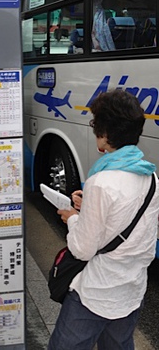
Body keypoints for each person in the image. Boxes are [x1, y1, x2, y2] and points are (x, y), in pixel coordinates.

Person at [48, 89, 159, 350]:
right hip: (131, 290)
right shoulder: (152, 178)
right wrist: (88, 208)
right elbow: (134, 223)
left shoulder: (100, 183)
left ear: (105, 135)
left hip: (96, 294)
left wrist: (73, 218)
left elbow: (82, 249)